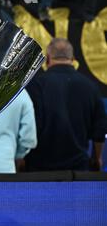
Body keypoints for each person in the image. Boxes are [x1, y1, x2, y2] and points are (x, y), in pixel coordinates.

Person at [25, 38, 107, 171]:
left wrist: (22, 160)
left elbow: (27, 130)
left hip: (39, 171)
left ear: (47, 59)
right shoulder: (91, 88)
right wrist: (97, 159)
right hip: (78, 170)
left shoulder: (35, 86)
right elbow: (99, 130)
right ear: (73, 59)